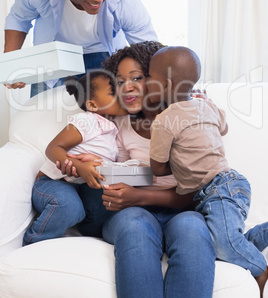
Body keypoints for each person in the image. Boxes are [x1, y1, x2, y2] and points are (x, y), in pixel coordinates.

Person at [59, 41, 218, 298]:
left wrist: (142, 195)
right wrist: (96, 166)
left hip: (183, 209)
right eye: (119, 81)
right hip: (133, 213)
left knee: (193, 229)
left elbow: (203, 189)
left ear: (161, 80)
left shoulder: (189, 118)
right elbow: (135, 173)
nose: (127, 87)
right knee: (134, 225)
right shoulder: (118, 125)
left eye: (137, 77)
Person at [147, 46, 268, 297]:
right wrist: (205, 103)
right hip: (228, 185)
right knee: (219, 242)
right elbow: (222, 128)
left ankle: (260, 269)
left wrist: (178, 160)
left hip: (219, 189)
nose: (147, 82)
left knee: (221, 245)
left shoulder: (165, 120)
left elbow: (157, 168)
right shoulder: (206, 106)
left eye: (150, 77)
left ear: (166, 84)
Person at [4, 0, 157, 96]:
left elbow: (149, 50)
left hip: (102, 54)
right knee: (41, 114)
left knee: (104, 118)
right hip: (53, 55)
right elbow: (19, 18)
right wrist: (10, 66)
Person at [23, 70, 126, 245]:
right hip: (53, 182)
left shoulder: (116, 130)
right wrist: (80, 166)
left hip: (83, 188)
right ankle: (34, 242)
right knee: (69, 207)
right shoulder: (87, 120)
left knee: (110, 201)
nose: (121, 94)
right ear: (92, 105)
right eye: (112, 92)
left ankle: (87, 232)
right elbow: (53, 148)